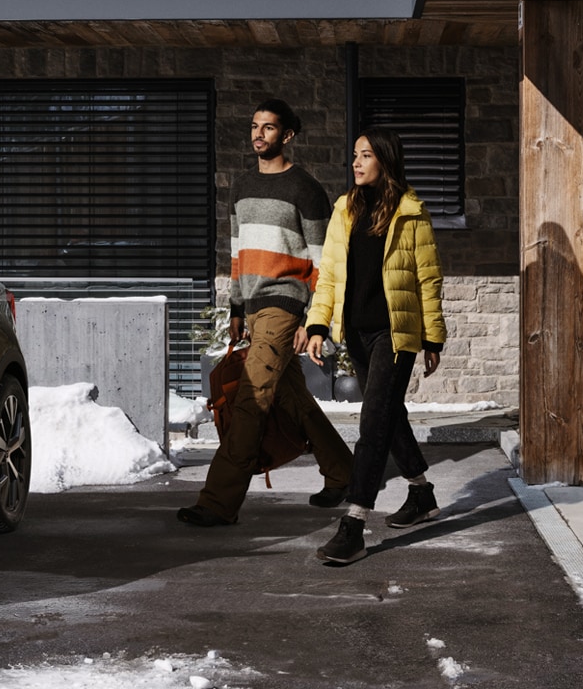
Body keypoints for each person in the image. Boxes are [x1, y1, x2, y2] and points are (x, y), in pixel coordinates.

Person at [177, 98, 356, 527]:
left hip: (285, 303)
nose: (259, 134)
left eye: (269, 128)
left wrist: (313, 318)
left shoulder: (305, 189)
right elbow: (237, 253)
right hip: (254, 308)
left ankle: (218, 503)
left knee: (250, 400)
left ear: (287, 135)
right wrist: (236, 307)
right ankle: (346, 473)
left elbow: (323, 259)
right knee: (293, 398)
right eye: (255, 126)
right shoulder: (240, 186)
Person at [302, 127, 447, 565]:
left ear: (385, 159)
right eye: (354, 155)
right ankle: (421, 493)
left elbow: (427, 278)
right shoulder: (344, 209)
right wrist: (317, 325)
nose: (356, 162)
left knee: (373, 422)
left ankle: (355, 523)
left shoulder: (411, 213)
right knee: (388, 413)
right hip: (358, 333)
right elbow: (328, 275)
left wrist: (433, 337)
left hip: (396, 334)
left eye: (365, 155)